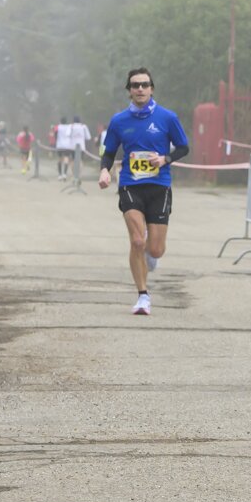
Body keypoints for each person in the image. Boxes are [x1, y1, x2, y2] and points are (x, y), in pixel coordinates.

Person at [98, 68, 189, 316]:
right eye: (135, 85)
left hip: (159, 185)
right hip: (130, 184)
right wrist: (105, 171)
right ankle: (142, 296)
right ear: (129, 90)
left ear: (151, 89)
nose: (140, 89)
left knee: (155, 249)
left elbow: (183, 147)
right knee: (137, 241)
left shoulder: (167, 117)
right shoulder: (119, 121)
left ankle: (151, 248)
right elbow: (109, 152)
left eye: (144, 85)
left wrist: (165, 159)